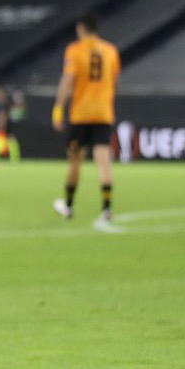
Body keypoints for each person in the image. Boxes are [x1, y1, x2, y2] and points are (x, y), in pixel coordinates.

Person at [51, 13, 121, 231]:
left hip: (81, 114)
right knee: (103, 161)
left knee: (75, 161)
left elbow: (68, 80)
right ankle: (106, 208)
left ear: (81, 28)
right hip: (103, 113)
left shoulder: (75, 50)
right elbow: (114, 80)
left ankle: (69, 205)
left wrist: (58, 108)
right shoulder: (111, 50)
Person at [0, 85, 24, 162]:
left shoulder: (4, 105)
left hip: (4, 129)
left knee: (1, 143)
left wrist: (0, 126)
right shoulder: (4, 105)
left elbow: (3, 117)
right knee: (6, 142)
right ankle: (13, 159)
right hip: (4, 129)